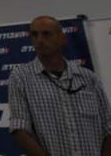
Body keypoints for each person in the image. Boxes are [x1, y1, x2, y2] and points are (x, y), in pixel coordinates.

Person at [8, 16, 111, 156]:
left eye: (46, 34)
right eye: (34, 34)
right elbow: (20, 130)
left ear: (62, 38)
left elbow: (108, 126)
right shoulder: (21, 78)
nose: (39, 40)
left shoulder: (88, 78)